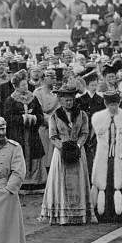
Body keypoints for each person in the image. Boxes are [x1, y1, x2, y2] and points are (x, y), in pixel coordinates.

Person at [39, 84, 95, 225]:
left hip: (77, 150)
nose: (69, 102)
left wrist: (77, 145)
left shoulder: (82, 114)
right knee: (61, 181)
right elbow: (53, 136)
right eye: (66, 100)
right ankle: (62, 214)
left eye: (71, 100)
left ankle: (79, 214)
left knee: (78, 181)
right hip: (61, 152)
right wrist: (63, 147)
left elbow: (85, 132)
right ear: (60, 100)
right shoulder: (55, 116)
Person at [90, 90, 122, 223]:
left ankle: (121, 213)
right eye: (111, 105)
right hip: (104, 157)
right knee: (104, 182)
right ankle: (103, 213)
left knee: (120, 181)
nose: (113, 107)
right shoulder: (98, 118)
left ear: (119, 103)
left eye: (116, 104)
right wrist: (96, 153)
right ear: (105, 104)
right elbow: (92, 141)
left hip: (120, 156)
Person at [4, 69, 46, 193]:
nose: (25, 86)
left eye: (26, 84)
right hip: (18, 135)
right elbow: (7, 118)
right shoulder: (10, 100)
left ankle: (35, 184)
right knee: (19, 156)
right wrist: (22, 118)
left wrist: (34, 118)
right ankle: (20, 184)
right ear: (16, 86)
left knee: (35, 155)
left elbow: (40, 115)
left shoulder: (33, 98)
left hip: (32, 134)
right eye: (22, 85)